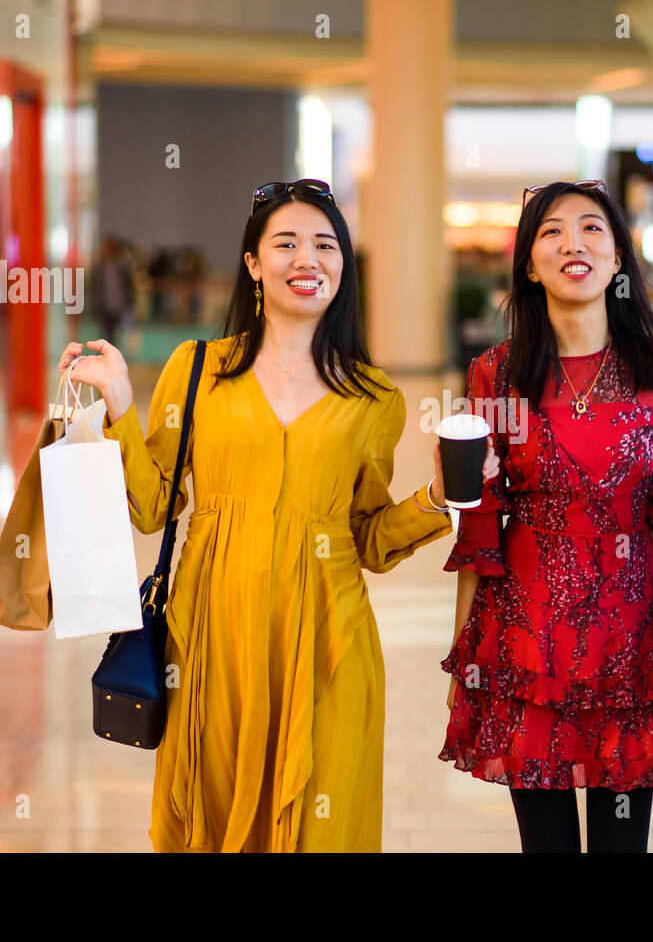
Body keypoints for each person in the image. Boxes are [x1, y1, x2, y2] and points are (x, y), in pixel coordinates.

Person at [60, 179, 497, 852]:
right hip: (212, 642)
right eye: (286, 243)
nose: (307, 259)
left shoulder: (373, 396)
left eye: (325, 244)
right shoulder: (199, 367)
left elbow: (371, 540)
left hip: (327, 641)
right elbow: (153, 507)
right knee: (211, 812)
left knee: (320, 823)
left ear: (344, 267)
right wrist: (122, 403)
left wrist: (436, 499)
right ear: (253, 264)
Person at [440, 180, 653, 853]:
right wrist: (466, 652)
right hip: (526, 635)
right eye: (551, 230)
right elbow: (480, 525)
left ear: (617, 259)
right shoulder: (497, 373)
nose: (572, 242)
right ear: (528, 262)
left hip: (626, 631)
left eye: (591, 229)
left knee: (620, 845)